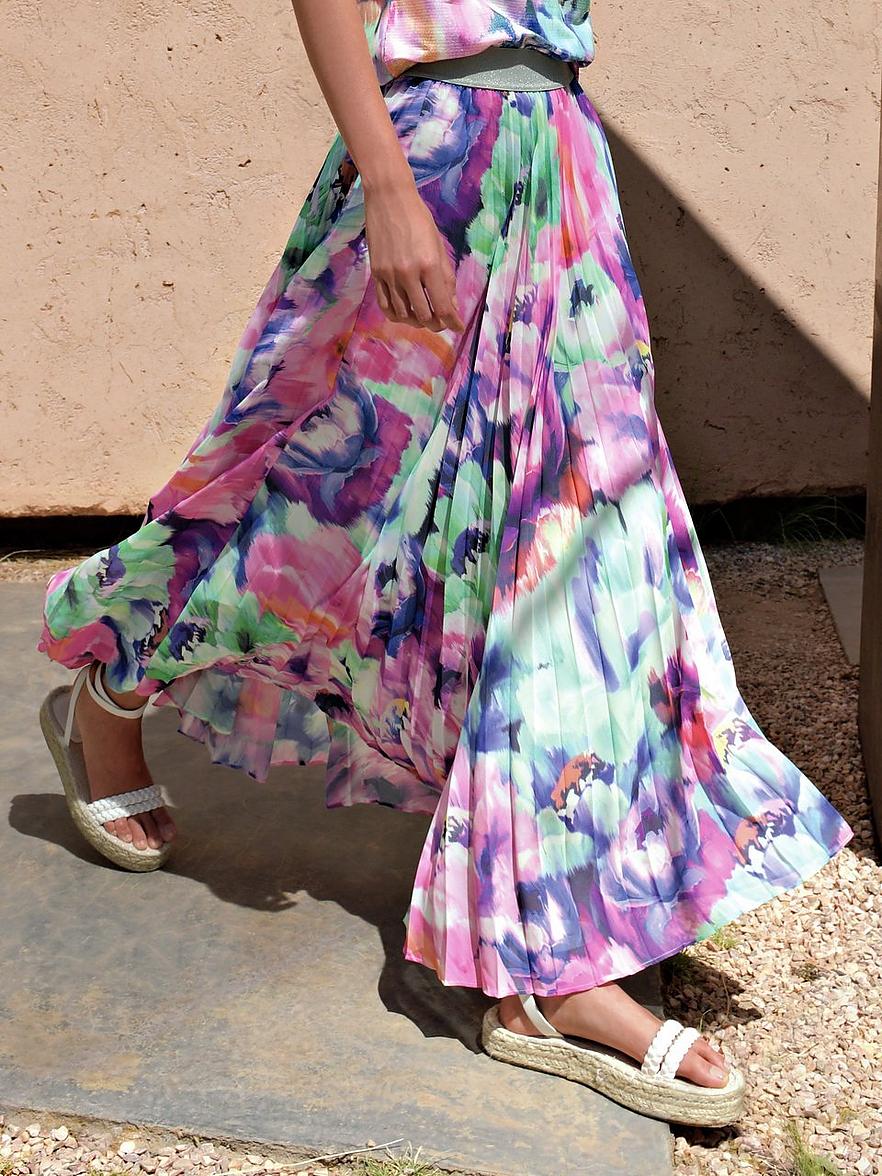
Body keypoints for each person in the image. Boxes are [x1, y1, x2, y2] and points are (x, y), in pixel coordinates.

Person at [36, 0, 854, 1126]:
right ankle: (117, 672)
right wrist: (385, 182)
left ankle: (547, 960)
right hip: (433, 163)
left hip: (561, 161)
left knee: (594, 542)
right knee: (323, 501)